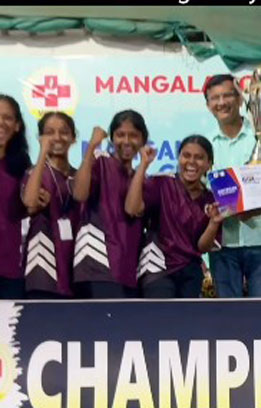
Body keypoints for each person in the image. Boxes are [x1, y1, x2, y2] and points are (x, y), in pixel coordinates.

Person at [204, 73, 261, 298]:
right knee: (227, 313)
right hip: (224, 243)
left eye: (228, 95)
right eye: (215, 98)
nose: (222, 102)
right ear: (208, 105)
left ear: (240, 99)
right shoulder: (206, 144)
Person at [125, 135, 223, 298]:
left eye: (199, 158)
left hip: (191, 272)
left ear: (209, 164)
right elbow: (132, 208)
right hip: (157, 267)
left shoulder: (211, 199)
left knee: (186, 315)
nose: (191, 162)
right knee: (163, 313)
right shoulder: (162, 183)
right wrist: (143, 165)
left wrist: (213, 223)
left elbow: (202, 247)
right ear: (179, 158)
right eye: (186, 155)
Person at [73, 110, 149, 298]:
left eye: (133, 135)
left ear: (143, 140)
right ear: (112, 138)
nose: (126, 141)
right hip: (96, 264)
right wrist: (91, 147)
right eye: (120, 135)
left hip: (127, 268)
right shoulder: (100, 163)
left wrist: (143, 166)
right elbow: (79, 194)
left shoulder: (141, 179)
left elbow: (133, 210)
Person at [22, 112, 81, 299]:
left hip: (74, 260)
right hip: (43, 261)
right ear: (40, 138)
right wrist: (42, 154)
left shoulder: (79, 176)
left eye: (64, 132)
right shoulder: (35, 173)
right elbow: (30, 202)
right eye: (49, 132)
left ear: (73, 138)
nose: (57, 137)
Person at [0, 94, 31, 299]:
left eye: (7, 117)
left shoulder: (22, 166)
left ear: (17, 126)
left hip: (10, 268)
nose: (1, 123)